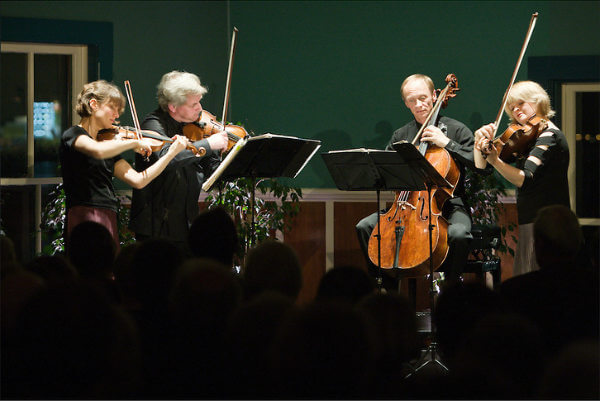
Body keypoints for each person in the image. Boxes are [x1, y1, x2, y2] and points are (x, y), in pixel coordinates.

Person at [355, 74, 490, 290]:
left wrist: (447, 143)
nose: (418, 104)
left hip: (449, 206)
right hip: (405, 207)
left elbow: (482, 166)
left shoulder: (456, 130)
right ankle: (387, 290)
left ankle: (452, 290)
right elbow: (385, 174)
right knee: (365, 226)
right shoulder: (402, 135)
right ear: (406, 103)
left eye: (423, 98)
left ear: (435, 95)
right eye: (411, 100)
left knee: (459, 234)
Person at [59, 80, 189, 250]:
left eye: (119, 111)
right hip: (84, 213)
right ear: (93, 104)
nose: (117, 115)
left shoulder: (108, 143)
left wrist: (171, 153)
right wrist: (133, 143)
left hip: (108, 212)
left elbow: (138, 180)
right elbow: (97, 151)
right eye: (112, 108)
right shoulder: (74, 134)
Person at [473, 80, 570, 276]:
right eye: (512, 106)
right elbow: (480, 166)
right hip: (531, 220)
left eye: (521, 103)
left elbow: (524, 178)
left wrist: (495, 161)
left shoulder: (549, 135)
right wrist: (478, 142)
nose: (515, 109)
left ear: (538, 101)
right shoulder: (527, 137)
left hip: (547, 225)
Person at [129, 71, 229, 252]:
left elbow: (213, 174)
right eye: (194, 104)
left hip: (186, 226)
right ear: (173, 107)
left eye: (199, 101)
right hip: (157, 227)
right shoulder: (152, 125)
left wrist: (219, 152)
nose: (200, 108)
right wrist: (207, 144)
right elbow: (169, 158)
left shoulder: (196, 129)